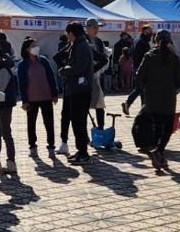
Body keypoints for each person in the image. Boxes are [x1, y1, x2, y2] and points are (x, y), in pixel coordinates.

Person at [135, 30, 180, 173]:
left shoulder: (149, 56)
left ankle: (158, 153)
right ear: (169, 42)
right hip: (168, 97)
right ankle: (159, 151)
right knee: (168, 127)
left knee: (156, 125)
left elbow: (139, 75)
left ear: (155, 40)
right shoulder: (173, 57)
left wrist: (148, 86)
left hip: (151, 97)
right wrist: (173, 86)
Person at [59, 22, 94, 164]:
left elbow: (80, 67)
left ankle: (83, 153)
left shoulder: (81, 46)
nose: (67, 36)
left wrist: (64, 70)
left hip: (81, 90)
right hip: (76, 89)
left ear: (72, 34)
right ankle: (81, 151)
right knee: (77, 121)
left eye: (67, 34)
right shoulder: (79, 44)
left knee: (79, 122)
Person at [16, 37, 59, 157]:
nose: (36, 48)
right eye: (33, 46)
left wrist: (55, 93)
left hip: (46, 97)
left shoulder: (44, 61)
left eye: (36, 45)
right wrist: (24, 100)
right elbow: (22, 84)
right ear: (27, 49)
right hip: (31, 99)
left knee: (49, 123)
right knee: (31, 124)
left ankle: (51, 147)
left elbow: (51, 77)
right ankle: (32, 147)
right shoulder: (23, 64)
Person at [121, 25, 154, 115]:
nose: (151, 34)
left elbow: (131, 53)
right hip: (142, 68)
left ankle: (142, 108)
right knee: (141, 88)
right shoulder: (143, 42)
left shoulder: (136, 40)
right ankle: (132, 104)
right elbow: (146, 58)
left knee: (140, 88)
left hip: (135, 66)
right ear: (145, 31)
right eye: (150, 31)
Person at [85, 19, 110, 129]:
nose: (97, 30)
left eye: (98, 27)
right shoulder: (82, 40)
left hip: (96, 77)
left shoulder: (99, 42)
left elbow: (105, 57)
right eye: (94, 27)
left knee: (100, 104)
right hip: (83, 78)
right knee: (84, 106)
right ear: (88, 27)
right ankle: (83, 133)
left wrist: (99, 68)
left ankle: (101, 128)